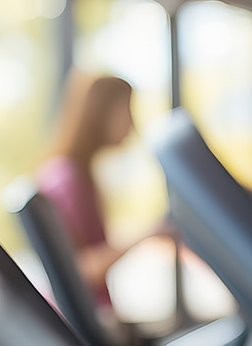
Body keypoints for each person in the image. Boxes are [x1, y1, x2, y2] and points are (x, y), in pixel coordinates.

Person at [37, 72, 166, 307]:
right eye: (126, 111)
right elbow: (80, 270)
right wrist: (148, 233)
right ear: (101, 112)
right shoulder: (66, 180)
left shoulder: (78, 176)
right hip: (81, 323)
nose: (132, 125)